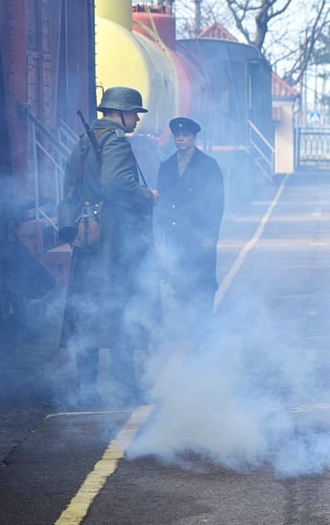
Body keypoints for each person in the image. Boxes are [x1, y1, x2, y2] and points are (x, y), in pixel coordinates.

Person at [59, 86, 160, 407]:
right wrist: (147, 196)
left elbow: (70, 188)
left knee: (87, 314)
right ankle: (127, 388)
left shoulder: (85, 141)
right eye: (133, 113)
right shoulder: (114, 140)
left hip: (88, 238)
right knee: (121, 310)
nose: (135, 120)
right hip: (113, 243)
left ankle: (87, 390)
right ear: (119, 113)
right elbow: (116, 184)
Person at [156, 117, 224, 317]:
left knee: (203, 281)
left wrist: (211, 234)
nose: (181, 139)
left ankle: (204, 326)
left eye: (185, 135)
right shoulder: (166, 166)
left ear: (194, 138)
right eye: (177, 135)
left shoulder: (209, 165)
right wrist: (161, 235)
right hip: (177, 234)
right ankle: (187, 324)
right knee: (180, 281)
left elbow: (217, 203)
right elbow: (162, 203)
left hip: (201, 234)